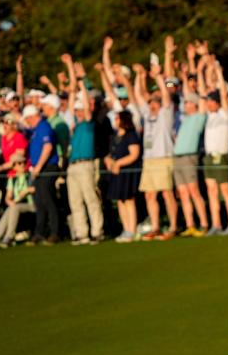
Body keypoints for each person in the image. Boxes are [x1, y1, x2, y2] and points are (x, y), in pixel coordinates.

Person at [133, 63, 177, 240]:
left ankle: (173, 226)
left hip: (163, 158)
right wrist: (139, 76)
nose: (151, 104)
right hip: (149, 160)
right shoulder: (147, 115)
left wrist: (159, 77)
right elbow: (137, 95)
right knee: (149, 194)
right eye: (150, 102)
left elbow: (166, 96)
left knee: (167, 193)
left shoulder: (165, 115)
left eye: (154, 102)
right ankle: (156, 226)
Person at [65, 60, 104, 244]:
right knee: (75, 201)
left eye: (81, 110)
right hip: (72, 166)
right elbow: (72, 101)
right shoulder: (75, 125)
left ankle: (97, 231)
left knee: (91, 199)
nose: (79, 112)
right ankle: (82, 233)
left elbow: (86, 105)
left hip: (85, 164)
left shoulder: (88, 125)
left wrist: (81, 80)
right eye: (78, 110)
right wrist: (70, 70)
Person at [202, 66, 228, 236]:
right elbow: (204, 89)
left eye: (211, 101)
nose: (208, 103)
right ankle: (216, 224)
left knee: (225, 190)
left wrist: (219, 72)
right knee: (212, 191)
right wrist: (205, 70)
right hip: (209, 157)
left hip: (221, 156)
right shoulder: (209, 116)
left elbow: (224, 94)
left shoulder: (224, 114)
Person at [172, 92, 209, 237]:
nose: (185, 105)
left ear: (195, 104)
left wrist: (197, 75)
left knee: (193, 190)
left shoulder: (199, 118)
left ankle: (204, 224)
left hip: (189, 157)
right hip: (177, 157)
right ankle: (190, 225)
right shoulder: (185, 119)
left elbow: (202, 103)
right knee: (183, 193)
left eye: (188, 102)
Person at [0, 149, 35, 249]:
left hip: (32, 205)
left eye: (24, 162)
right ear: (13, 166)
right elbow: (8, 197)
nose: (22, 165)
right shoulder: (12, 179)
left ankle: (8, 238)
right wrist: (10, 201)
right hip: (17, 205)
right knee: (11, 208)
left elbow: (32, 190)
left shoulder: (30, 176)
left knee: (14, 207)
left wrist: (19, 196)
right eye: (19, 163)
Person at [22, 104, 59, 244]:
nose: (28, 121)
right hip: (39, 169)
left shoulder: (44, 126)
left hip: (47, 167)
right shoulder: (36, 129)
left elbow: (48, 147)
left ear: (33, 116)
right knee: (39, 201)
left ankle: (54, 232)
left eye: (28, 118)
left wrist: (38, 167)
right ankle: (39, 232)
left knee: (48, 199)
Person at [105, 109, 142, 242]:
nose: (115, 121)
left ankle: (132, 230)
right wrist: (109, 161)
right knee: (120, 200)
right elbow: (110, 153)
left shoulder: (131, 135)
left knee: (128, 199)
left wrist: (118, 163)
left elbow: (134, 154)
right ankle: (125, 229)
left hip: (127, 172)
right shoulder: (115, 136)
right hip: (116, 173)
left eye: (117, 118)